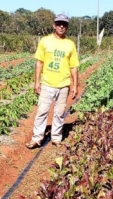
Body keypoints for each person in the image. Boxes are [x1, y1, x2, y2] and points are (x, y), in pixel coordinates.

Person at [25, 13, 79, 149]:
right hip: (47, 83)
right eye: (59, 23)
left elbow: (74, 67)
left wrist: (75, 86)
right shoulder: (45, 41)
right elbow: (39, 63)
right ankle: (37, 138)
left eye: (64, 24)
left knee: (59, 113)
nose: (62, 26)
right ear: (54, 25)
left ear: (67, 27)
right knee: (42, 111)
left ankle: (56, 138)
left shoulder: (70, 44)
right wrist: (37, 82)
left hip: (64, 85)